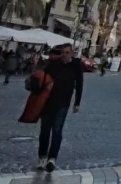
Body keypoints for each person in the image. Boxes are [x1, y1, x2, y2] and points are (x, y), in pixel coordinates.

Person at [38, 44, 83, 172]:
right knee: (45, 132)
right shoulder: (53, 64)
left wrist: (77, 103)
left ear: (72, 53)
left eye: (67, 52)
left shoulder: (76, 66)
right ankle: (42, 157)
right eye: (62, 52)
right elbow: (43, 78)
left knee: (57, 131)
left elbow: (79, 85)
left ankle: (52, 159)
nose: (64, 54)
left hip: (63, 103)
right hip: (47, 102)